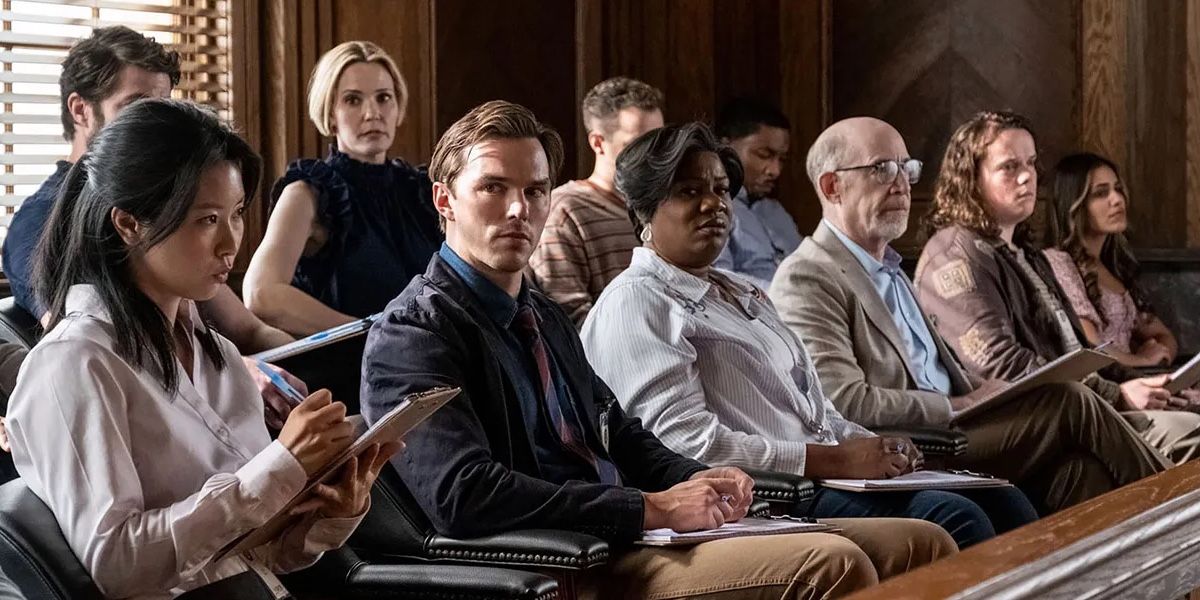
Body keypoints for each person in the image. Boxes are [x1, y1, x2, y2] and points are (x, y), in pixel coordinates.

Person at [362, 100, 956, 599]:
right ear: (445, 201)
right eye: (494, 188)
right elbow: (465, 495)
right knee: (831, 563)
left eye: (536, 190)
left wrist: (707, 483)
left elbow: (622, 432)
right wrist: (649, 509)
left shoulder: (539, 312)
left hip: (626, 533)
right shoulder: (415, 334)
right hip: (565, 560)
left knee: (923, 542)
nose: (520, 209)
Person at [6, 98, 399, 599]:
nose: (231, 243)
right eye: (206, 220)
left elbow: (255, 553)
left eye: (235, 214)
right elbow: (117, 563)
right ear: (129, 224)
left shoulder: (221, 358)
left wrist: (330, 514)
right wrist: (277, 467)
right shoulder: (76, 363)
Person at [582, 122, 1036, 548]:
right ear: (644, 208)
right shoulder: (636, 302)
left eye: (721, 190)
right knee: (954, 517)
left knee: (1006, 500)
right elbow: (686, 447)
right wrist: (833, 460)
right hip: (762, 498)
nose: (714, 205)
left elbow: (816, 413)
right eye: (689, 192)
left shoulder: (740, 292)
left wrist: (873, 446)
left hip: (817, 480)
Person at [768, 117, 1168, 514]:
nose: (902, 184)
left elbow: (940, 371)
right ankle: (1183, 514)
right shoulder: (808, 275)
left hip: (961, 425)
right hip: (911, 444)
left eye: (907, 168)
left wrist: (990, 391)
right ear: (832, 186)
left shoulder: (890, 270)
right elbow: (844, 402)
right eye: (882, 168)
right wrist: (957, 404)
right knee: (1069, 401)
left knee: (1081, 473)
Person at [0, 25, 303, 430]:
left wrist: (309, 371)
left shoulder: (178, 207)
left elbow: (248, 329)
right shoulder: (43, 219)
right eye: (138, 106)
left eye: (166, 107)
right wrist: (237, 380)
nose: (159, 125)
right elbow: (76, 335)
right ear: (80, 110)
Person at [914, 110, 1200, 464]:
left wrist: (1160, 387)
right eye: (1009, 167)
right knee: (1190, 435)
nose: (1027, 177)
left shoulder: (1027, 255)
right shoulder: (954, 254)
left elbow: (1080, 352)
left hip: (1079, 406)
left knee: (1190, 415)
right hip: (1021, 424)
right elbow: (1002, 366)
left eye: (1031, 164)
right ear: (971, 178)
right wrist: (1117, 395)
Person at [245, 40, 441, 337]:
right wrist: (371, 333)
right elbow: (262, 294)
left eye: (384, 97)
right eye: (353, 100)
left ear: (398, 107)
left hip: (431, 359)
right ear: (330, 113)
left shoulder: (422, 191)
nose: (372, 112)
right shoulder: (310, 193)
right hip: (350, 367)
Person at [529, 76, 664, 326]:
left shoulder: (662, 207)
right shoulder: (565, 212)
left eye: (659, 142)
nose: (653, 155)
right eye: (637, 143)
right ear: (598, 142)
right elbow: (570, 322)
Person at [1044, 152, 1188, 373]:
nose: (1117, 199)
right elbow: (1089, 350)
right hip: (1103, 390)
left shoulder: (1112, 266)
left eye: (1118, 189)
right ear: (1074, 204)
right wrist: (1141, 361)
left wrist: (1160, 357)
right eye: (1101, 193)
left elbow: (1164, 336)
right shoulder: (1058, 262)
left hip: (1135, 379)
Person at [712, 97, 802, 288]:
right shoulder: (713, 208)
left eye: (782, 159)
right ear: (726, 148)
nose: (775, 170)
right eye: (764, 155)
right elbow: (718, 278)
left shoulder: (777, 212)